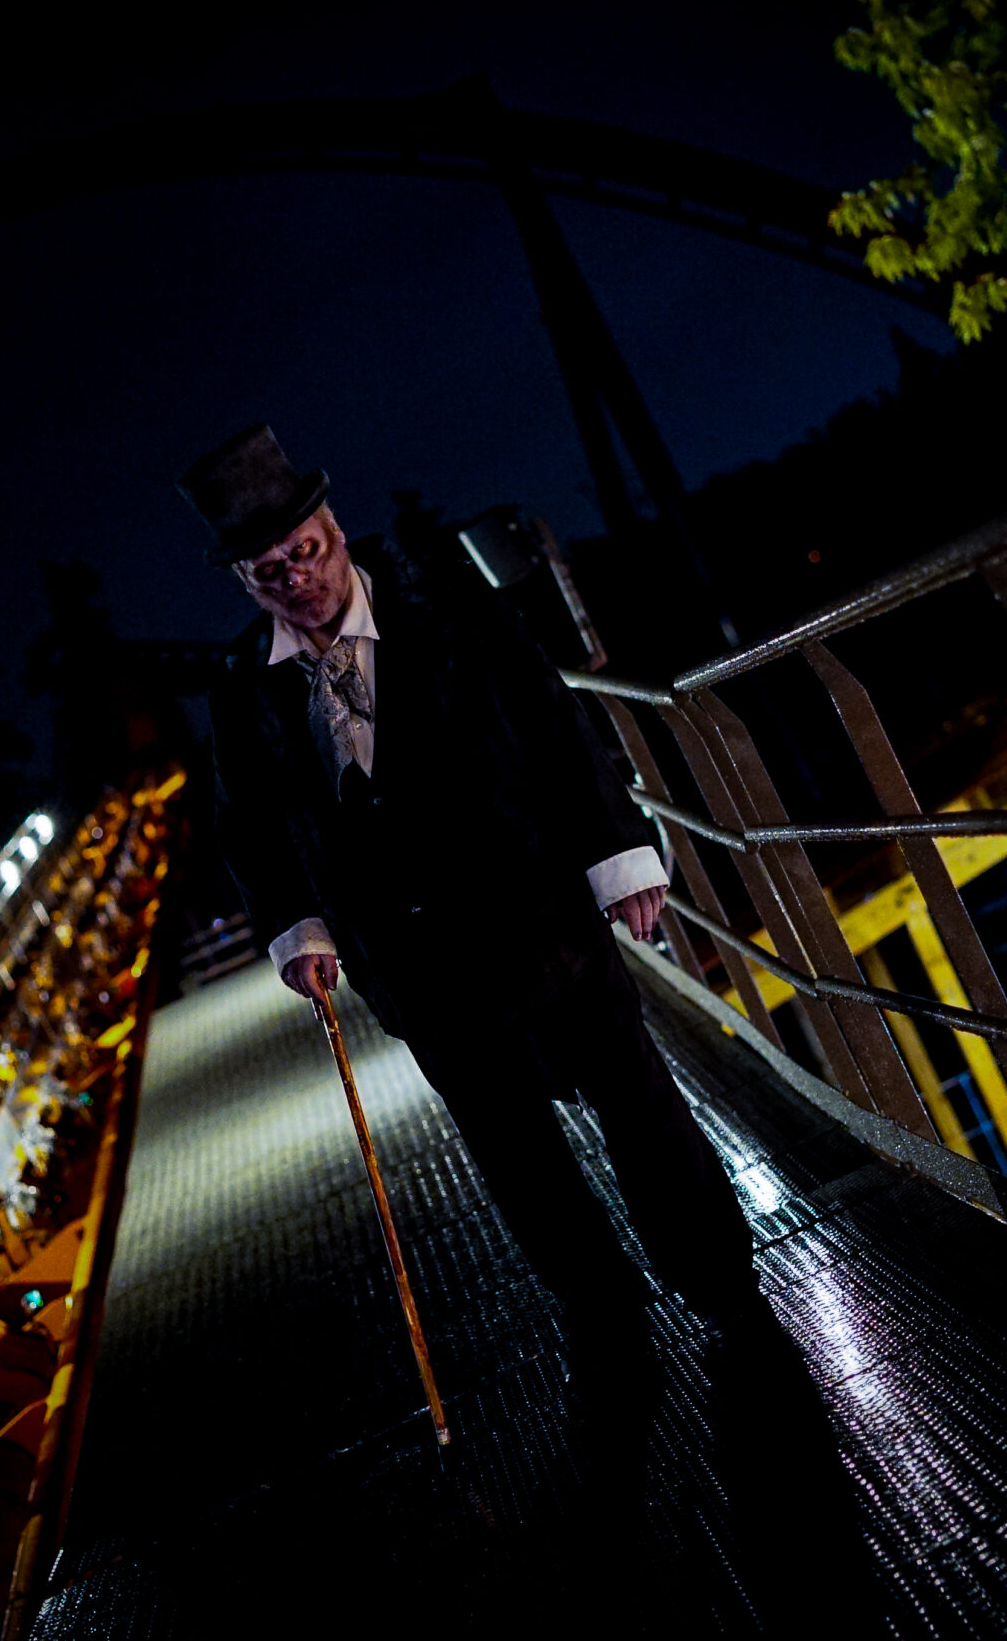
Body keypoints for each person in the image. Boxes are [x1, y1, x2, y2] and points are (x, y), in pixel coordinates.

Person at [187, 424, 767, 1351]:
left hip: (538, 914)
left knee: (637, 1103)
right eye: (270, 571)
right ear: (245, 584)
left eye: (305, 551)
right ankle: (602, 1312)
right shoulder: (242, 692)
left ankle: (721, 1285)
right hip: (413, 962)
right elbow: (247, 827)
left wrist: (617, 853)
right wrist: (297, 927)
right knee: (513, 1151)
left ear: (333, 531)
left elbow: (551, 718)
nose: (297, 578)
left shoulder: (445, 601)